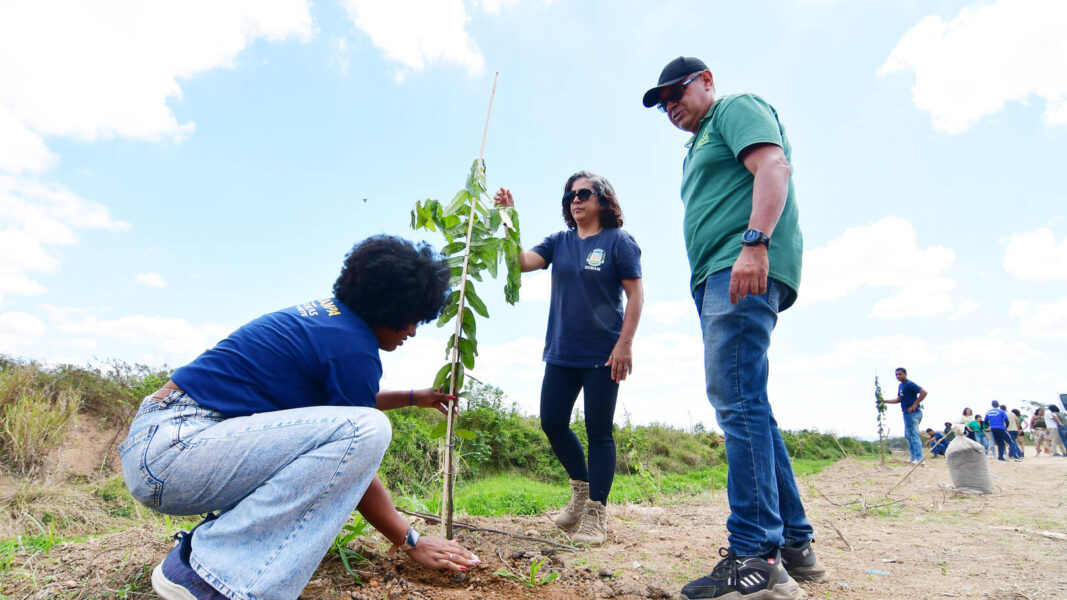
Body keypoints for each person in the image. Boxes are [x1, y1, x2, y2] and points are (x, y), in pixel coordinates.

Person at [118, 235, 479, 600]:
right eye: (410, 319)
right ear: (387, 308)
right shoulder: (353, 349)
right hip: (175, 452)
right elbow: (353, 451)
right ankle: (210, 577)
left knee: (359, 426)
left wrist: (414, 397)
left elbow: (339, 412)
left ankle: (206, 559)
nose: (412, 332)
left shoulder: (329, 321)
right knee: (367, 429)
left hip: (165, 442)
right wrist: (410, 539)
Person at [642, 56, 823, 600]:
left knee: (736, 400)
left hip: (738, 265)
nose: (670, 106)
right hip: (717, 275)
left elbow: (773, 167)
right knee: (750, 403)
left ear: (707, 81)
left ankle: (756, 558)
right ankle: (795, 544)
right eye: (662, 103)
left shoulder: (734, 109)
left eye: (677, 92)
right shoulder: (697, 143)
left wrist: (754, 242)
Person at [492, 171, 643, 546]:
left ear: (603, 199)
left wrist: (625, 344)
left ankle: (596, 513)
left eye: (584, 193)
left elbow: (636, 296)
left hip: (603, 354)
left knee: (599, 432)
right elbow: (519, 262)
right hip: (561, 351)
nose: (575, 199)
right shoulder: (558, 242)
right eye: (569, 195)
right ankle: (581, 490)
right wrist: (508, 218)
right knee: (552, 421)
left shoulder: (618, 241)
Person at [882, 367, 928, 464]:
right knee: (908, 435)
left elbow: (924, 392)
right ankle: (913, 458)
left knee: (914, 435)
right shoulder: (901, 386)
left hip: (913, 413)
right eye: (896, 375)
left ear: (905, 374)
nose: (898, 376)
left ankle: (919, 459)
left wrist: (915, 405)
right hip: (906, 413)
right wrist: (884, 401)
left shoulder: (909, 384)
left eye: (900, 374)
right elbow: (899, 399)